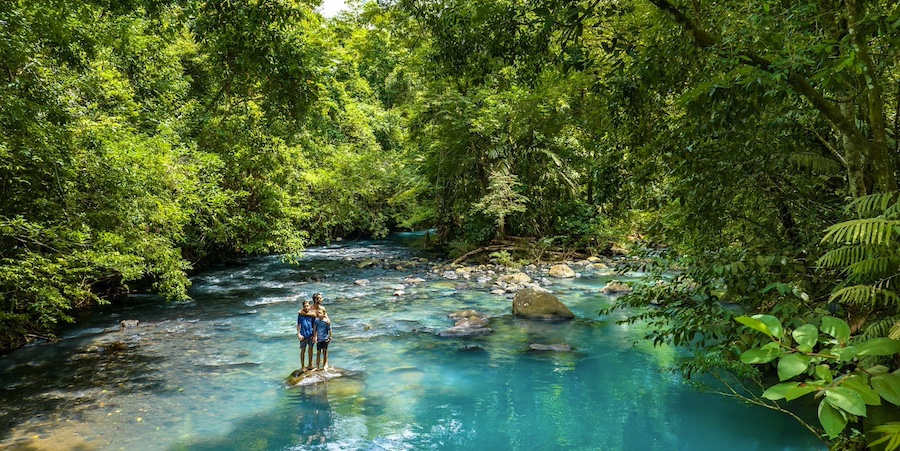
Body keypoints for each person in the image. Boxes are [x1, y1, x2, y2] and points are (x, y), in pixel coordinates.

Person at [296, 300, 315, 371]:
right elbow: (298, 325)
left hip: (310, 334)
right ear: (303, 307)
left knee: (310, 349)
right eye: (304, 306)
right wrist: (299, 334)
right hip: (303, 335)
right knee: (303, 350)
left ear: (310, 306)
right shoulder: (300, 315)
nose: (306, 307)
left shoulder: (312, 315)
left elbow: (314, 325)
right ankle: (303, 366)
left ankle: (310, 364)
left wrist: (314, 335)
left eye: (307, 306)